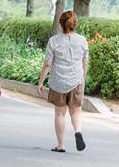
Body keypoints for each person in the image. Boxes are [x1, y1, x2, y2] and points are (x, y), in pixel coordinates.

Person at [37, 11, 88, 153]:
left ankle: (60, 145)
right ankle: (78, 131)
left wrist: (41, 82)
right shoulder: (82, 40)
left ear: (60, 23)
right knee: (76, 112)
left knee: (60, 113)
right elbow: (84, 64)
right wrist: (82, 79)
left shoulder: (53, 41)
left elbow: (47, 64)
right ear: (74, 24)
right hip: (76, 81)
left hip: (58, 81)